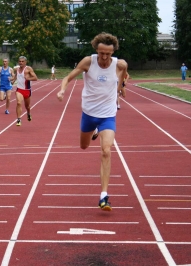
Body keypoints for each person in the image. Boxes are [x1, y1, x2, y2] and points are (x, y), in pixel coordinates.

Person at [57, 32, 128, 211]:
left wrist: (119, 91)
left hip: (108, 114)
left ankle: (104, 196)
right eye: (101, 53)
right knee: (83, 146)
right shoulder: (89, 61)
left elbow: (122, 78)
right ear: (97, 50)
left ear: (113, 52)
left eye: (108, 54)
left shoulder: (120, 65)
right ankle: (94, 131)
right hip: (89, 113)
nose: (104, 57)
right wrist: (62, 91)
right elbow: (68, 77)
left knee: (106, 150)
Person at [11, 56, 38, 126]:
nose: (21, 63)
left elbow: (35, 78)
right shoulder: (17, 69)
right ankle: (19, 119)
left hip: (27, 90)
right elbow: (16, 76)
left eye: (22, 61)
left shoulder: (28, 69)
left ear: (25, 62)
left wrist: (28, 78)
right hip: (19, 90)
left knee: (27, 106)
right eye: (20, 61)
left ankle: (28, 113)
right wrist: (13, 80)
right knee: (19, 103)